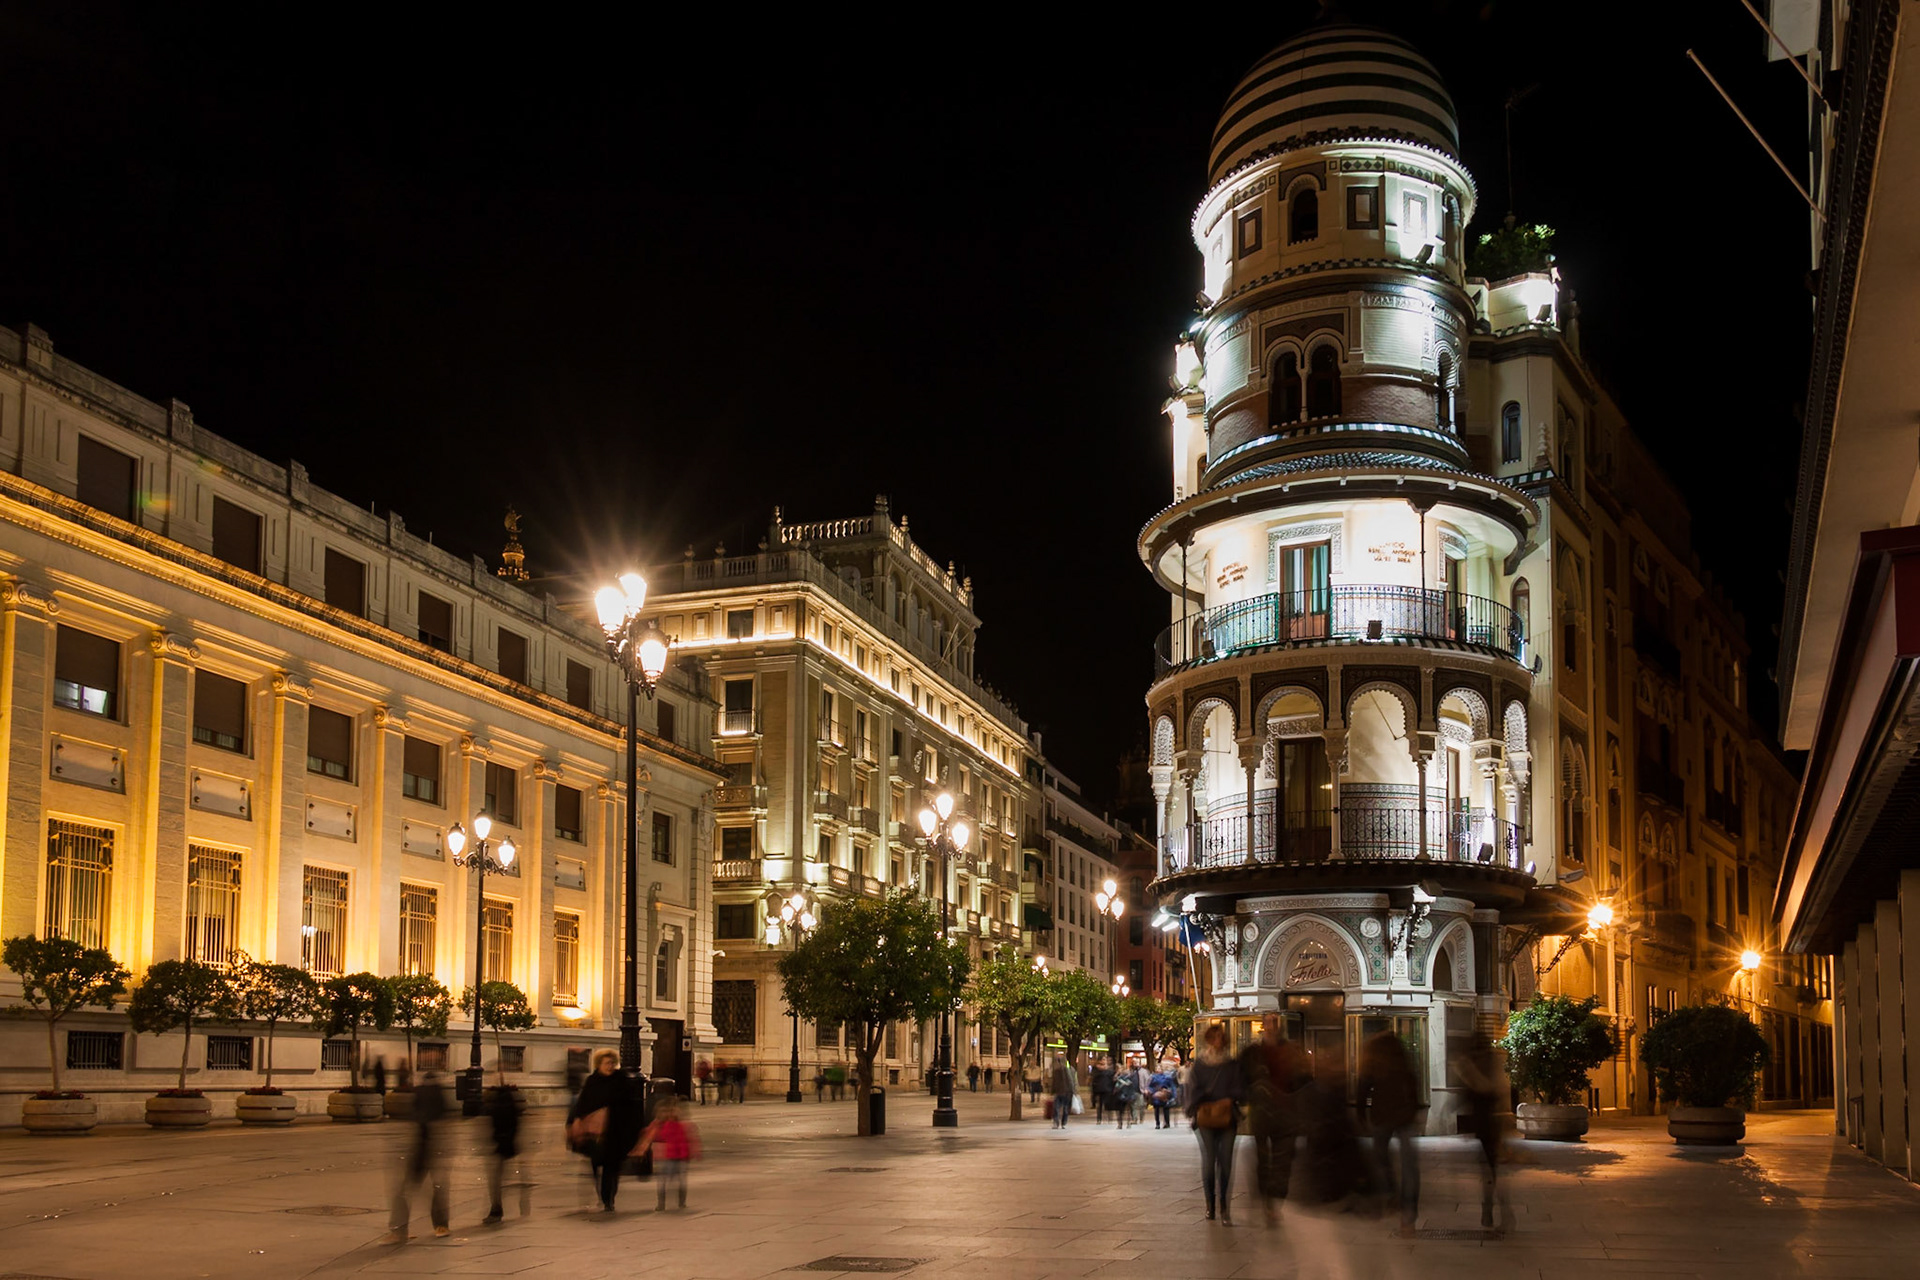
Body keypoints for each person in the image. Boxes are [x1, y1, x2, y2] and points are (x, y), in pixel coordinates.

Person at [1241, 1015, 1306, 1227]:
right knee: (1263, 1160)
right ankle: (1268, 1202)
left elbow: (1304, 1080)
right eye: (1268, 1022)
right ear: (1263, 1026)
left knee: (1284, 1160)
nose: (1272, 1026)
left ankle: (1276, 1199)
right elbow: (1241, 1078)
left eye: (1276, 1022)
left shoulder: (1292, 1051)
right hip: (1262, 1113)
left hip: (1286, 1113)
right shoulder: (1253, 1053)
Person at [1358, 1028, 1422, 1235]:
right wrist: (1414, 1111)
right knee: (1409, 1166)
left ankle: (1390, 1193)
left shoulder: (1374, 1061)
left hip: (1382, 1115)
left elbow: (1362, 1088)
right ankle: (1408, 1218)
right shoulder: (1402, 1060)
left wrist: (1361, 1115)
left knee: (1380, 1158)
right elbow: (1413, 1086)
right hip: (1403, 1116)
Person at [568, 1050, 644, 1211]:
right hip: (595, 1134)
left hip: (615, 1131)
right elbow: (582, 1104)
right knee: (596, 1165)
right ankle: (602, 1193)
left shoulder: (621, 1080)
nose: (610, 1066)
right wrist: (578, 1120)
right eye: (606, 1063)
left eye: (612, 1063)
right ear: (599, 1064)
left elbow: (629, 1105)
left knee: (612, 1167)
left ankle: (608, 1198)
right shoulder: (592, 1081)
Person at [1186, 1025, 1246, 1223]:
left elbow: (1239, 1088)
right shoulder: (1200, 1064)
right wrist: (1206, 1100)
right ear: (1209, 1039)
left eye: (1221, 1037)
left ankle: (1224, 1207)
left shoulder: (1231, 1063)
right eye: (1215, 1037)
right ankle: (1210, 1205)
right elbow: (1193, 1090)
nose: (1218, 1040)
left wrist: (1230, 1099)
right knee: (1210, 1162)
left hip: (1227, 1117)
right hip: (1206, 1117)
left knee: (1226, 1164)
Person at [382, 1069, 449, 1242]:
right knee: (438, 1188)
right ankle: (441, 1225)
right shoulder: (440, 1095)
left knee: (404, 1190)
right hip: (435, 1148)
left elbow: (415, 1116)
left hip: (421, 1147)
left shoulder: (421, 1094)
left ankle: (399, 1230)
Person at [1457, 1032, 1511, 1232]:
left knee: (1489, 1167)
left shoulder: (1476, 1064)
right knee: (1491, 1167)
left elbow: (1484, 1089)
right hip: (1488, 1121)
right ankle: (1495, 1208)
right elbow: (1496, 1089)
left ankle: (1491, 1208)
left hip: (1486, 1122)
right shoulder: (1486, 1061)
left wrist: (1468, 1072)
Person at [482, 1082, 524, 1225]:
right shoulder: (505, 1100)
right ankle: (496, 1208)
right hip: (501, 1145)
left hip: (500, 1146)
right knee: (496, 1180)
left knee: (495, 1180)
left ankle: (496, 1210)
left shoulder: (499, 1103)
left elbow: (506, 1125)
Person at [648, 1098, 701, 1211]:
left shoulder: (683, 1124)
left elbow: (691, 1137)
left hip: (680, 1156)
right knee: (663, 1180)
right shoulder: (658, 1124)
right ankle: (661, 1203)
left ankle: (681, 1201)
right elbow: (650, 1137)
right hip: (664, 1156)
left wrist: (695, 1151)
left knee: (680, 1180)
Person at [1050, 1054, 1078, 1129]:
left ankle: (1062, 1122)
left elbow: (1073, 1082)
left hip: (1066, 1092)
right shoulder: (1058, 1070)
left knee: (1062, 1108)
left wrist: (1074, 1091)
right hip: (1062, 1092)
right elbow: (1054, 1082)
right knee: (1058, 1108)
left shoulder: (1070, 1070)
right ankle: (1060, 1122)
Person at [1149, 1062, 1177, 1129]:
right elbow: (1150, 1086)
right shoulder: (1153, 1077)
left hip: (1165, 1095)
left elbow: (1172, 1086)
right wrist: (1152, 1091)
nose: (1158, 1069)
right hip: (1157, 1094)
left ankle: (1167, 1123)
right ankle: (1157, 1123)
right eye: (1157, 1068)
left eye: (1159, 1068)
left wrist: (1172, 1094)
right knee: (1157, 1110)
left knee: (1166, 1109)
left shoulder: (1167, 1077)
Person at [1091, 1056, 1115, 1125]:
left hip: (1108, 1090)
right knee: (1100, 1106)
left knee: (1108, 1105)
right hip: (1100, 1090)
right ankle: (1099, 1119)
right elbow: (1094, 1081)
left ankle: (1109, 1118)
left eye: (1105, 1061)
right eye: (1102, 1060)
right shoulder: (1097, 1071)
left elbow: (1112, 1080)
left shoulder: (1110, 1071)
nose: (1103, 1062)